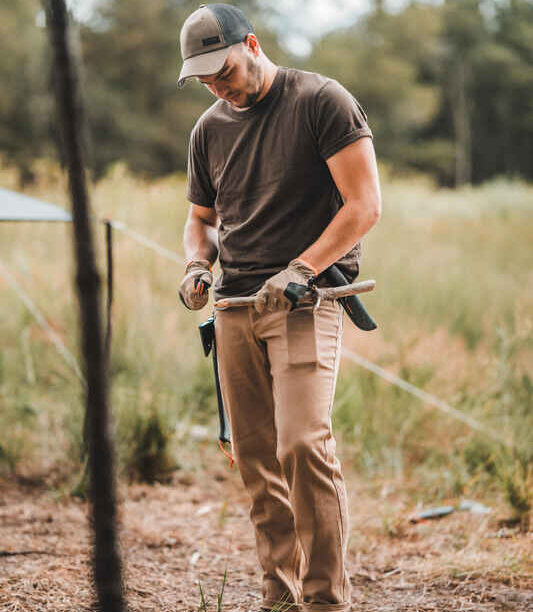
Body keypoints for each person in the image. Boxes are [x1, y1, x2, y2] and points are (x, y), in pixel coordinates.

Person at [177, 4, 381, 611]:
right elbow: (201, 221)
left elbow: (363, 205)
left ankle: (324, 600)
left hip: (303, 300)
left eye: (225, 70)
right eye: (205, 78)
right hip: (236, 306)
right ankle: (281, 597)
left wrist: (302, 268)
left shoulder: (321, 101)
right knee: (257, 459)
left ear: (253, 45)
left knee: (301, 446)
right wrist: (196, 265)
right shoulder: (209, 130)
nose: (219, 85)